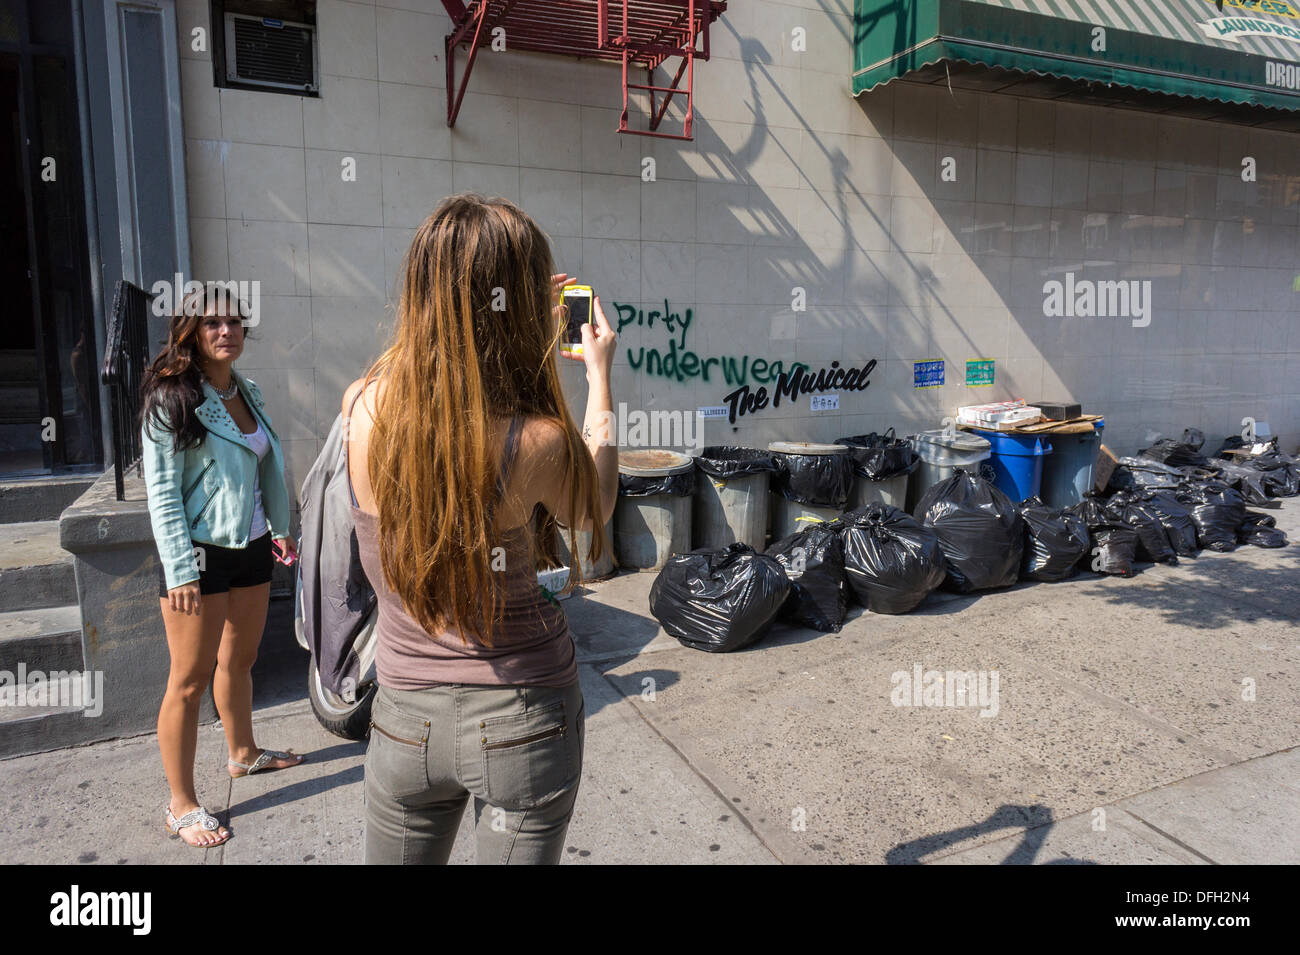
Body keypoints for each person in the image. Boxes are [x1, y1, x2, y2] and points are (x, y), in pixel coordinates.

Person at [345, 194, 618, 864]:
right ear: (522, 305)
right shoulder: (539, 440)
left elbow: (443, 382)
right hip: (524, 716)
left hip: (404, 719)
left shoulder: (363, 406)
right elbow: (597, 507)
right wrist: (601, 378)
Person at [141, 285, 306, 848]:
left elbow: (263, 467)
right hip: (200, 556)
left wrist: (280, 527)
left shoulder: (247, 390)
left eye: (235, 322)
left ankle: (243, 755)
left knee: (242, 658)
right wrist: (181, 568)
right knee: (188, 681)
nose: (226, 331)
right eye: (212, 323)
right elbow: (162, 493)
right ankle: (181, 804)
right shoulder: (173, 398)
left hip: (253, 546)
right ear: (190, 331)